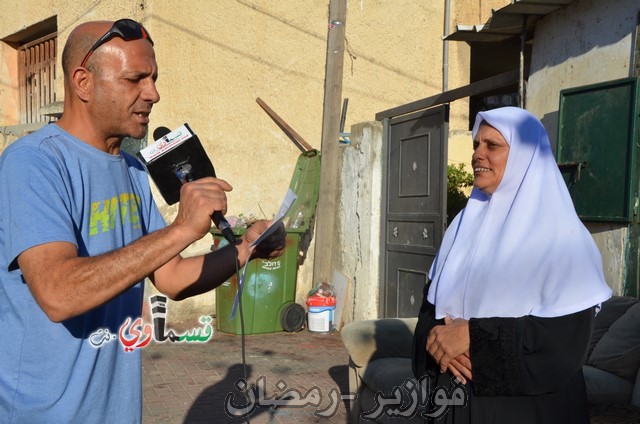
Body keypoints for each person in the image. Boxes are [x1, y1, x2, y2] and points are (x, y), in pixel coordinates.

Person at [0, 19, 285, 422]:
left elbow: (170, 277)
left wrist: (245, 249)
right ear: (83, 82)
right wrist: (182, 229)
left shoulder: (132, 169)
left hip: (117, 411)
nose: (152, 93)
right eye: (135, 79)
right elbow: (58, 293)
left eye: (153, 78)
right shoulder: (33, 163)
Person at [412, 106, 612, 423]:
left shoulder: (564, 239)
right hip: (455, 400)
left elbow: (564, 345)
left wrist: (473, 337)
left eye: (492, 145)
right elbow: (430, 307)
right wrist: (437, 340)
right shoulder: (461, 227)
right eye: (476, 145)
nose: (478, 154)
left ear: (525, 156)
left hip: (525, 409)